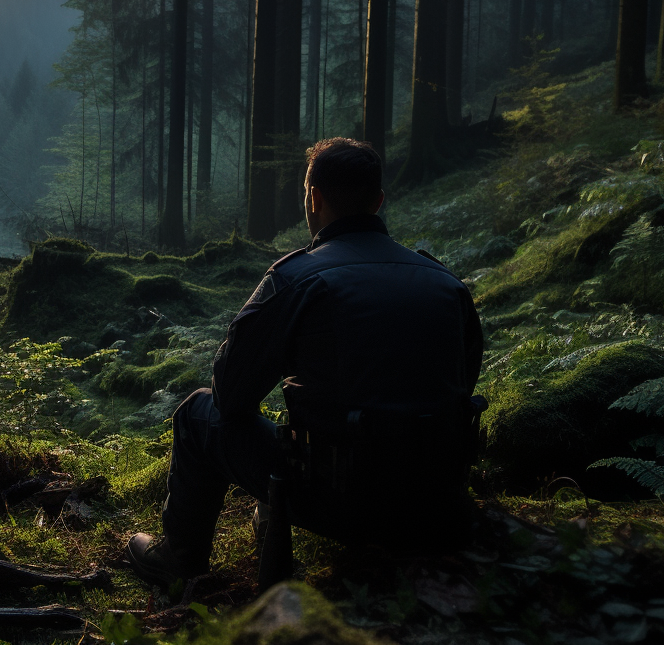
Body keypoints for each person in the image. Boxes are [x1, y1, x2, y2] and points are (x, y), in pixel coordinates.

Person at [126, 137, 483, 586]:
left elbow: (230, 396)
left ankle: (179, 558)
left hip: (341, 503)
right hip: (439, 502)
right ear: (378, 201)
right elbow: (464, 382)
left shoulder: (297, 278)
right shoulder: (445, 282)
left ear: (311, 198)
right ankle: (270, 513)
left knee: (199, 413)